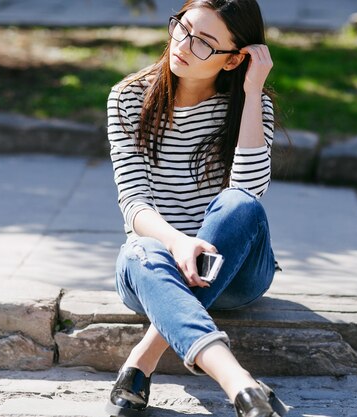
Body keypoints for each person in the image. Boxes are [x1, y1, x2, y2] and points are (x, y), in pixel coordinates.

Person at [105, 0, 287, 416]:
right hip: (155, 268)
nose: (184, 45)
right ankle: (240, 384)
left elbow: (247, 196)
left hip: (236, 272)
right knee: (141, 248)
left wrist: (253, 91)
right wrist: (179, 243)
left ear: (233, 60)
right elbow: (134, 204)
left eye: (204, 42)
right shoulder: (128, 99)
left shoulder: (249, 105)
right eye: (182, 29)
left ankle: (142, 360)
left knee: (238, 203)